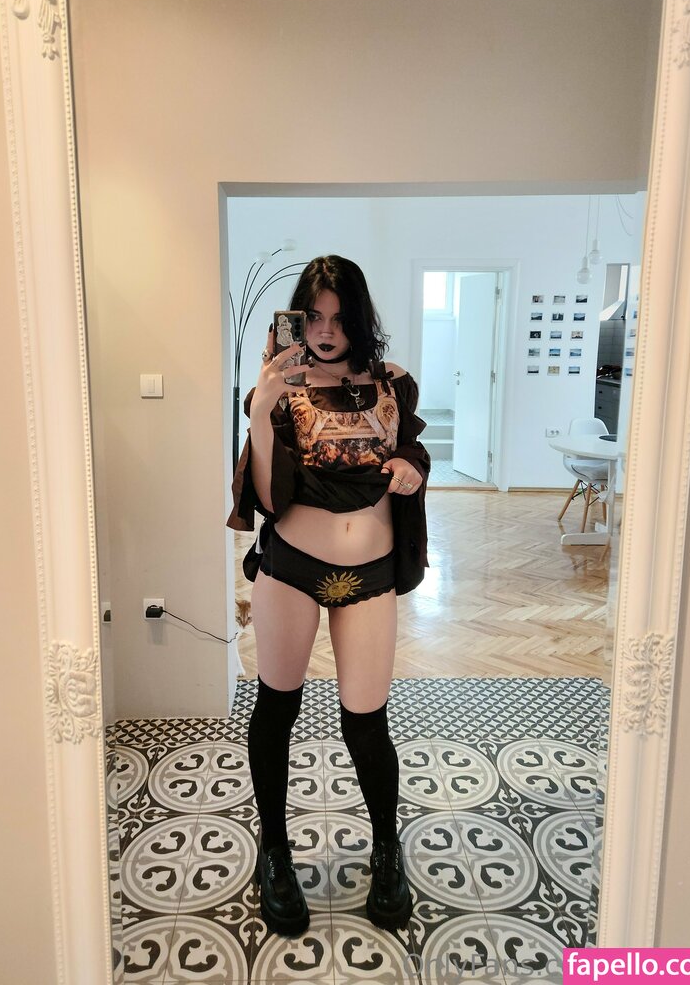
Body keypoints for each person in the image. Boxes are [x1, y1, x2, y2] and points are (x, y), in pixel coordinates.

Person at [227, 254, 430, 937]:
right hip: (291, 567)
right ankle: (276, 854)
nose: (324, 330)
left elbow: (413, 451)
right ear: (296, 318)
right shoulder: (279, 392)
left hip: (369, 576)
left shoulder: (393, 383)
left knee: (366, 722)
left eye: (339, 318)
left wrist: (409, 467)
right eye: (313, 316)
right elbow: (265, 495)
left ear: (360, 319)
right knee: (276, 710)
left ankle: (386, 850)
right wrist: (260, 410)